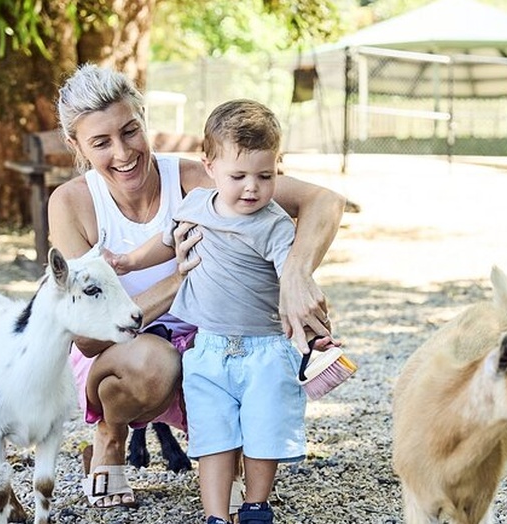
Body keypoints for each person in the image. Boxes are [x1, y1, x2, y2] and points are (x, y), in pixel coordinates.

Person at [48, 64, 346, 511]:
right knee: (155, 362)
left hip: (213, 340)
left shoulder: (197, 179)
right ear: (76, 145)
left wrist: (296, 279)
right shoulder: (70, 203)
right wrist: (177, 281)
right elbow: (88, 339)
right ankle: (110, 433)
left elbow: (324, 200)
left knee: (253, 399)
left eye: (131, 131)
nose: (124, 152)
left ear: (144, 120)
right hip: (124, 355)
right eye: (101, 142)